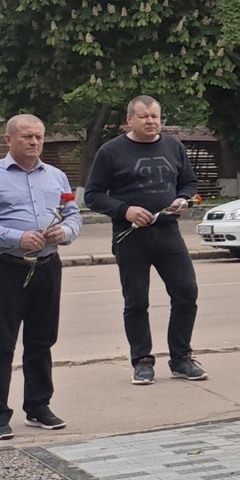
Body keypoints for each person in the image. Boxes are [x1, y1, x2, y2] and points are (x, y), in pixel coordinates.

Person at [0, 115, 80, 438]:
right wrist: (17, 237)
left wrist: (65, 232)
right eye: (27, 136)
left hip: (47, 267)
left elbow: (73, 215)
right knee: (1, 344)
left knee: (42, 341)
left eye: (39, 136)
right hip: (4, 268)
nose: (35, 142)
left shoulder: (56, 176)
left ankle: (38, 407)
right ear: (8, 139)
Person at [83, 95, 205, 386]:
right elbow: (93, 196)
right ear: (130, 120)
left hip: (168, 232)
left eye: (155, 116)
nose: (151, 121)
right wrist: (125, 210)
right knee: (136, 300)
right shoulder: (111, 151)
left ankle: (181, 357)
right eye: (144, 116)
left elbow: (189, 183)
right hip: (130, 236)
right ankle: (142, 361)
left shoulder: (173, 146)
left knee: (186, 292)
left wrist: (183, 198)